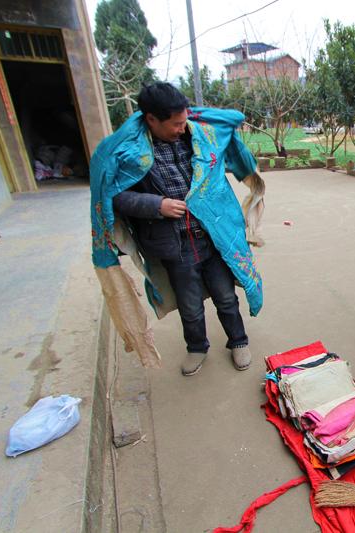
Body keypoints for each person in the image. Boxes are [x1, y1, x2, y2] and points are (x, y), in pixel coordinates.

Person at [108, 82, 259, 376]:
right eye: (176, 124)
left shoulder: (197, 136)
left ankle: (238, 341)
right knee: (189, 306)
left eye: (185, 120)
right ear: (152, 119)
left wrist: (196, 115)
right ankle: (197, 347)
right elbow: (115, 196)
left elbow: (233, 117)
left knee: (226, 297)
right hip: (175, 247)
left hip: (213, 239)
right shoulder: (130, 152)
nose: (182, 128)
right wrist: (157, 205)